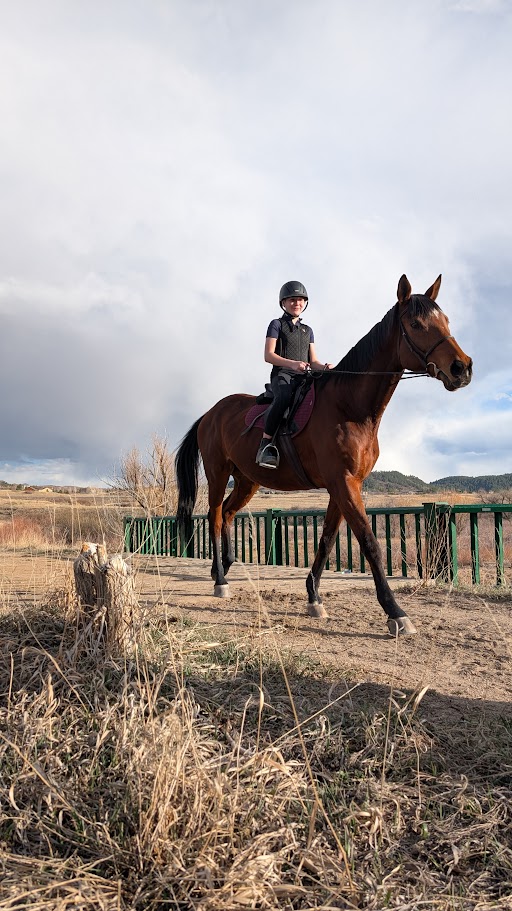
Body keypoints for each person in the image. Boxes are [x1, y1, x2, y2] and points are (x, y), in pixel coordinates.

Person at [255, 281, 333, 469]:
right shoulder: (276, 325)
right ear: (283, 303)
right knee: (283, 397)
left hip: (303, 377)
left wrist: (325, 367)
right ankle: (265, 445)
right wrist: (293, 364)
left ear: (305, 303)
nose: (296, 303)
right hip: (282, 375)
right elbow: (269, 355)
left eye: (300, 300)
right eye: (292, 300)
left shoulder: (308, 331)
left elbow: (313, 361)